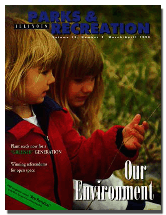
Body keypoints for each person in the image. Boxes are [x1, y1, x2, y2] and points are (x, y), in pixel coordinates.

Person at [5, 17, 148, 210]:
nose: (53, 78)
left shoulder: (53, 116)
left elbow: (81, 157)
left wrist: (118, 144)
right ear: (13, 71)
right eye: (45, 71)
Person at [49, 34, 149, 210]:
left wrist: (123, 191)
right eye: (78, 80)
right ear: (53, 76)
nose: (89, 88)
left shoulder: (77, 114)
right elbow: (66, 187)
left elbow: (88, 163)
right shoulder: (44, 120)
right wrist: (127, 206)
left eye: (93, 78)